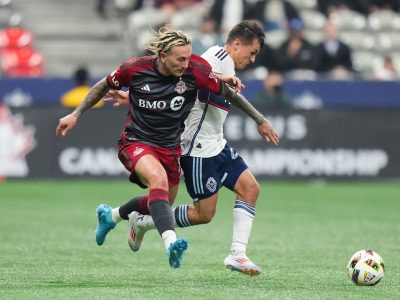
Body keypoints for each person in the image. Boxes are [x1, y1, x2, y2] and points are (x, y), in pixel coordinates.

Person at [55, 26, 277, 269]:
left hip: (184, 145)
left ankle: (116, 216)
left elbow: (196, 83)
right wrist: (76, 114)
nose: (186, 63)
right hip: (170, 143)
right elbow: (106, 84)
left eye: (187, 58)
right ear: (163, 55)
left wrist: (258, 117)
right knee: (175, 194)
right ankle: (171, 242)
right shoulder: (146, 66)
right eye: (252, 52)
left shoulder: (195, 68)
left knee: (167, 201)